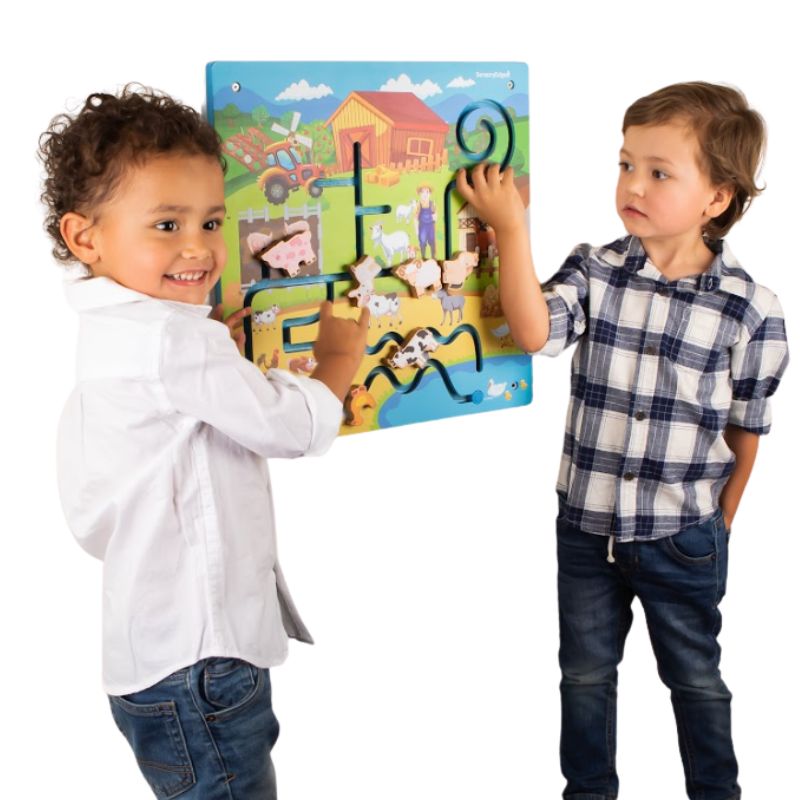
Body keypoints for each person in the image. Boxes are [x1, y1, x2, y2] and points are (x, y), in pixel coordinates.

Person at [456, 82, 789, 800]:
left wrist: (720, 524)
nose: (632, 185)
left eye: (659, 172)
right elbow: (533, 330)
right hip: (587, 528)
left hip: (683, 535)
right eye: (626, 164)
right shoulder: (596, 270)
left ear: (717, 198)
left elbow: (746, 429)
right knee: (584, 676)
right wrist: (511, 229)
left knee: (695, 679)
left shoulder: (751, 310)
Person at [39, 85, 369, 799]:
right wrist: (338, 359)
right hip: (202, 662)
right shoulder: (173, 341)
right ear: (86, 237)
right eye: (166, 224)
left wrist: (216, 349)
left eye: (212, 221)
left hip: (152, 658)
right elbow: (292, 429)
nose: (198, 246)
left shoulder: (113, 331)